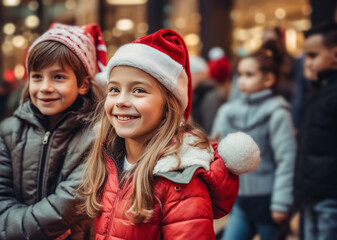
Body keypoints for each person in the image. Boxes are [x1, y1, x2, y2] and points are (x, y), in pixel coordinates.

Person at [78, 29, 260, 240]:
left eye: (138, 90)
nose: (121, 101)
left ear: (168, 106)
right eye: (114, 89)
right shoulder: (107, 160)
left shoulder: (180, 179)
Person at [0, 22, 107, 239]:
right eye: (37, 76)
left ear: (83, 84)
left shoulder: (97, 136)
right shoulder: (8, 131)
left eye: (58, 77)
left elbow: (68, 204)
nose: (45, 87)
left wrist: (14, 230)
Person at [212, 40, 296, 240]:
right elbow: (214, 151)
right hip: (239, 200)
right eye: (239, 74)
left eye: (249, 75)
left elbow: (287, 159)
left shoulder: (278, 112)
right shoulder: (227, 111)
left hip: (269, 201)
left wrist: (281, 203)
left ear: (268, 79)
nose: (241, 80)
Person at [294, 23, 337, 240]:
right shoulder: (314, 91)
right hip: (309, 193)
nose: (306, 63)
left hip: (329, 196)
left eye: (312, 55)